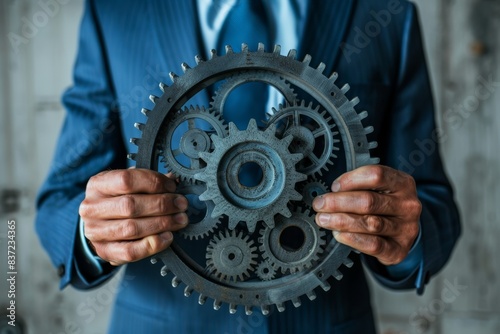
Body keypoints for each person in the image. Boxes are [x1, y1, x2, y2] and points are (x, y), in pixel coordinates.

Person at [36, 0, 461, 333]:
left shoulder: (387, 14)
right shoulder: (115, 12)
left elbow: (431, 202)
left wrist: (407, 230)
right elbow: (60, 200)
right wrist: (92, 230)